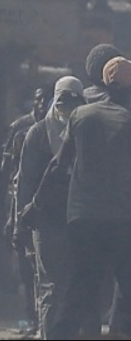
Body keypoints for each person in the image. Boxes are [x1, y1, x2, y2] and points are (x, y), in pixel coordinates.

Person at [24, 58, 131, 340]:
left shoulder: (81, 116)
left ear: (104, 83)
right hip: (124, 220)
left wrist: (35, 205)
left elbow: (58, 167)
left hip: (84, 220)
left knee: (77, 292)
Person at [14, 77, 95, 339]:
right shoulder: (37, 134)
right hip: (51, 224)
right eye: (63, 104)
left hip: (78, 223)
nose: (67, 110)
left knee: (76, 290)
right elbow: (25, 182)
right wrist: (20, 226)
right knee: (53, 291)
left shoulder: (86, 133)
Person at [2, 84, 51, 335]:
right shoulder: (20, 128)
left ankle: (42, 320)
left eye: (47, 99)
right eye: (39, 99)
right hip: (19, 205)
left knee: (42, 269)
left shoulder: (59, 129)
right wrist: (10, 212)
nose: (42, 104)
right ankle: (32, 317)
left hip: (46, 208)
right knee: (24, 265)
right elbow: (7, 171)